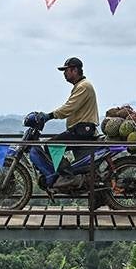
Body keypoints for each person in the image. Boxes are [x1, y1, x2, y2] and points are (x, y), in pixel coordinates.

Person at [42, 57, 99, 189]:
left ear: (74, 70)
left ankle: (68, 177)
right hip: (80, 130)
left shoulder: (83, 86)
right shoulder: (80, 86)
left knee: (51, 146)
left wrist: (49, 116)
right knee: (81, 166)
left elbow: (69, 107)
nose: (64, 74)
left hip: (82, 130)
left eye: (66, 70)